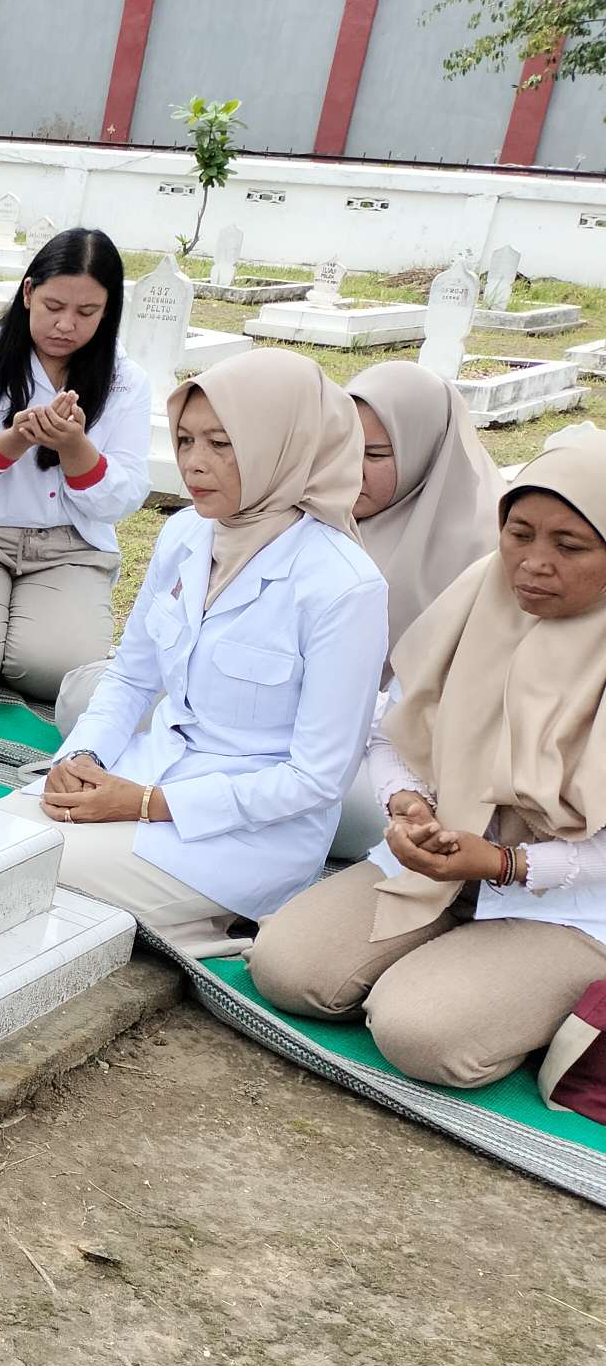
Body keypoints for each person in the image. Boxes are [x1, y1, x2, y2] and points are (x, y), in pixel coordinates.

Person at [248, 430, 606, 1091]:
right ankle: (450, 962)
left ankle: (545, 993)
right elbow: (395, 729)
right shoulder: (480, 601)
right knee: (289, 969)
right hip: (439, 861)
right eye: (519, 533)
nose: (533, 562)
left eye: (570, 545)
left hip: (570, 902)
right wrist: (408, 805)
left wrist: (504, 863)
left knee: (420, 1032)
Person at [3, 349, 388, 956]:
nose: (194, 463)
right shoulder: (187, 533)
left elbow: (316, 780)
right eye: (184, 440)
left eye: (221, 443)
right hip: (145, 773)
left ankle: (206, 920)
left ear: (282, 447)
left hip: (242, 839)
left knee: (13, 867)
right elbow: (130, 677)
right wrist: (81, 757)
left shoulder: (343, 585)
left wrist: (151, 804)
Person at [0, 228, 150, 703]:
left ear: (108, 310)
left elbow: (125, 495)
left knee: (58, 671)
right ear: (28, 293)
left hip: (70, 546)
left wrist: (75, 448)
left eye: (86, 312)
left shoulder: (126, 382)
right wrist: (11, 443)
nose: (66, 325)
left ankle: (17, 634)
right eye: (54, 306)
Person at [323, 362, 505, 858]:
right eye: (341, 446)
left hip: (411, 762)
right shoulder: (311, 518)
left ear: (427, 452)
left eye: (376, 454)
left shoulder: (491, 552)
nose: (349, 468)